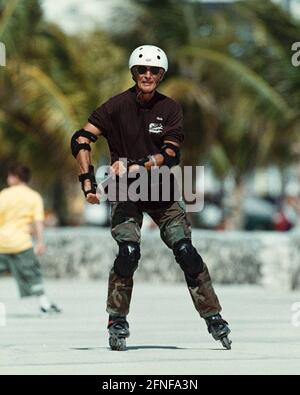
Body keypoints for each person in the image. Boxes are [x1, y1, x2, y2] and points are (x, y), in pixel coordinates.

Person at [71, 45, 231, 350]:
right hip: (125, 191)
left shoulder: (170, 108)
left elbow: (170, 155)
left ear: (161, 75)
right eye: (141, 70)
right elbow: (80, 138)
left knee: (186, 251)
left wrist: (134, 164)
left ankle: (214, 316)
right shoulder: (114, 107)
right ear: (133, 73)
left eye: (154, 71)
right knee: (128, 254)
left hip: (162, 190)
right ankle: (117, 319)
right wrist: (88, 183)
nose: (147, 75)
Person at [0, 164, 61, 315]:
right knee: (33, 275)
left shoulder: (4, 195)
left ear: (15, 177)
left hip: (2, 242)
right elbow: (38, 222)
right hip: (22, 243)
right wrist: (40, 242)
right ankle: (44, 305)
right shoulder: (34, 197)